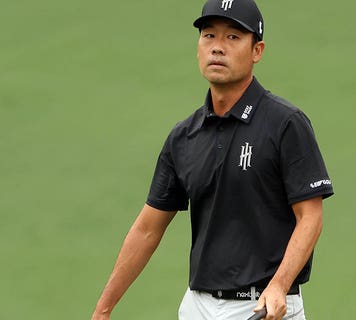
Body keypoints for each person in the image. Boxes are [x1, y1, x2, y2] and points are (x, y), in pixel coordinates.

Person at [91, 0, 333, 319]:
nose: (217, 48)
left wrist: (279, 285)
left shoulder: (285, 124)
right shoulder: (183, 137)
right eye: (209, 36)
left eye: (233, 37)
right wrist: (103, 309)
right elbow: (147, 229)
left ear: (257, 50)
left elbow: (310, 217)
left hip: (265, 306)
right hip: (198, 307)